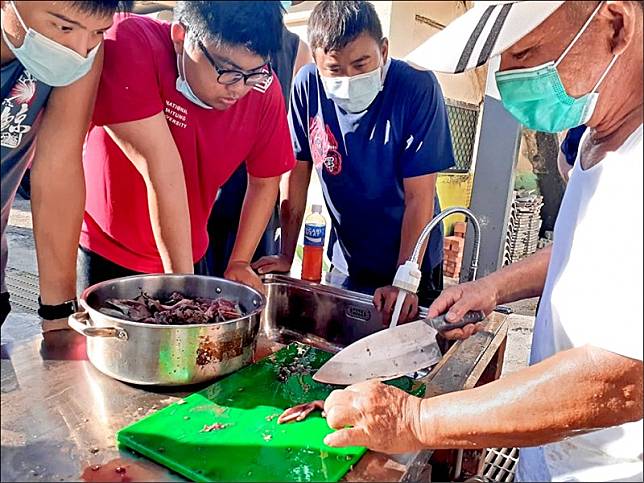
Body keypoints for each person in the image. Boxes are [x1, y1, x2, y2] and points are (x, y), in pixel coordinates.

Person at [319, 2, 643, 481]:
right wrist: (493, 287)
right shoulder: (599, 135)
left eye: (526, 52)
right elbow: (590, 251)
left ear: (616, 24)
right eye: (503, 63)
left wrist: (417, 420)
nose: (510, 79)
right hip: (554, 454)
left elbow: (626, 378)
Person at [253, 1, 455, 322]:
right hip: (349, 258)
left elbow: (420, 196)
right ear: (317, 63)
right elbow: (295, 176)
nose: (349, 78)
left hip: (412, 263)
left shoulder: (416, 87)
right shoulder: (307, 86)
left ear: (384, 51)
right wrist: (286, 254)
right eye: (334, 69)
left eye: (361, 65)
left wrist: (404, 281)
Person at [79, 1, 296, 294]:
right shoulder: (131, 41)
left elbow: (265, 179)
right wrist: (186, 292)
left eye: (254, 72)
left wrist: (240, 260)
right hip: (108, 250)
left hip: (190, 253)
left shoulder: (263, 90)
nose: (238, 88)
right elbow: (161, 169)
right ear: (181, 38)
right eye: (227, 70)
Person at [1, 0, 133, 329]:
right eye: (63, 27)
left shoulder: (83, 53)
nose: (78, 50)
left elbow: (58, 168)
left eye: (99, 32)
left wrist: (58, 314)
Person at [206, 0, 313, 277]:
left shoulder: (296, 49)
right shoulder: (215, 31)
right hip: (209, 187)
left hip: (260, 185)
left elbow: (286, 152)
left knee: (245, 276)